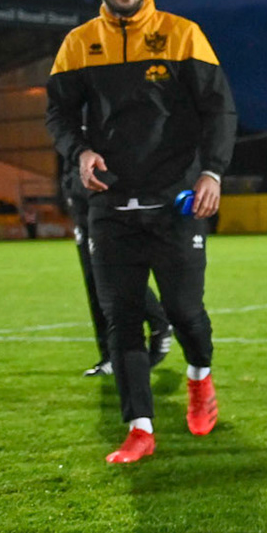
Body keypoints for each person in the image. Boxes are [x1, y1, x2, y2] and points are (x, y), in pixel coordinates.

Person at [46, 0, 237, 464]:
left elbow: (219, 110)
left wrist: (212, 172)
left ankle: (200, 377)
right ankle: (139, 428)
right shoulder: (79, 44)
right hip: (109, 203)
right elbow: (59, 114)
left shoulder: (182, 34)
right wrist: (79, 151)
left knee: (184, 311)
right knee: (121, 318)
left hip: (176, 200)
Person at [61, 160, 171, 378]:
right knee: (94, 281)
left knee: (113, 276)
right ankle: (109, 356)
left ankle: (159, 322)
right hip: (78, 186)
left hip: (106, 190)